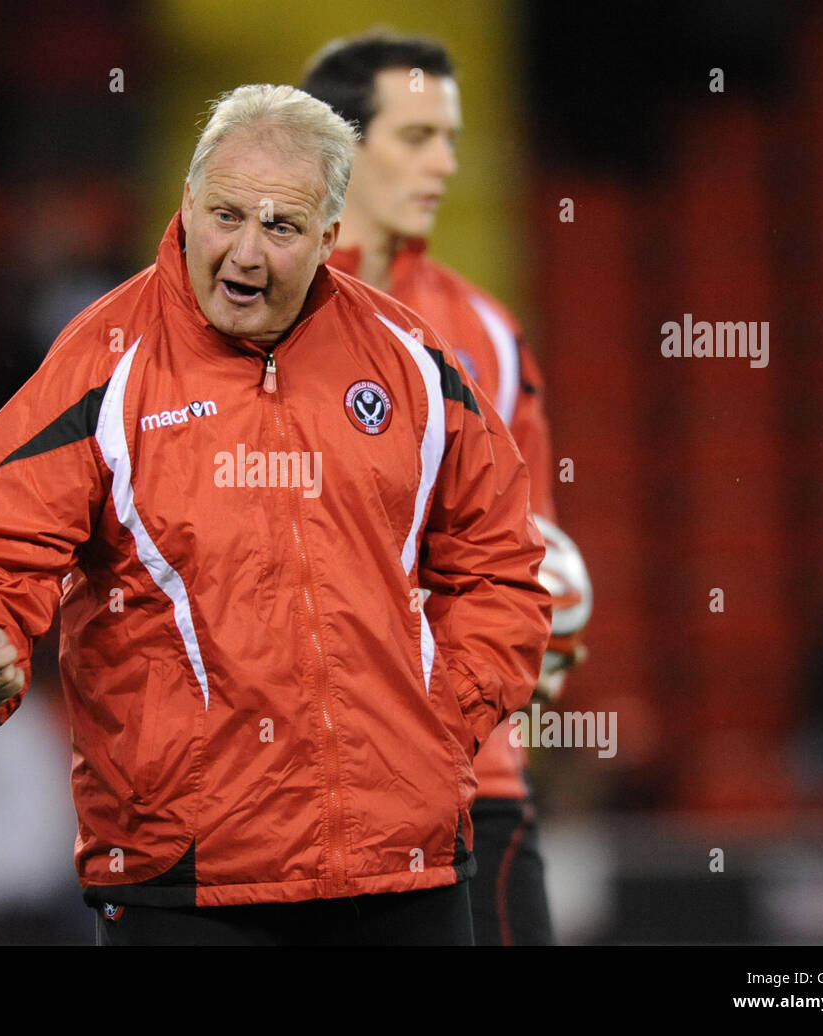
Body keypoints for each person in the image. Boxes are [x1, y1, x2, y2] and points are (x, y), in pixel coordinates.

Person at [0, 83, 551, 946]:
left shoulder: (415, 365)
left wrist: (440, 718)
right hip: (189, 884)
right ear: (187, 204)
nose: (245, 252)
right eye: (226, 215)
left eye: (280, 227)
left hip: (405, 866)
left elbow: (502, 563)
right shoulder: (103, 366)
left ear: (327, 238)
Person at [302, 31, 582, 945]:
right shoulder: (257, 314)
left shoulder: (488, 337)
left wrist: (541, 631)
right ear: (341, 142)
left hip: (472, 781)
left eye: (453, 138)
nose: (447, 163)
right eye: (418, 136)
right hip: (291, 790)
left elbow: (524, 543)